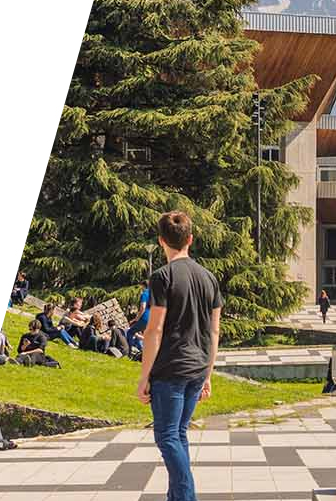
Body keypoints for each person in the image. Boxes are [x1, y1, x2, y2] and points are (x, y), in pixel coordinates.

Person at [136, 211, 224, 501]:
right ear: (190, 239)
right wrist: (208, 374)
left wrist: (144, 376)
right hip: (197, 368)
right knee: (179, 433)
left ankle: (186, 497)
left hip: (171, 370)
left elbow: (154, 330)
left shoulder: (163, 277)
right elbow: (213, 332)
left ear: (162, 241)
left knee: (166, 436)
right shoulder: (209, 278)